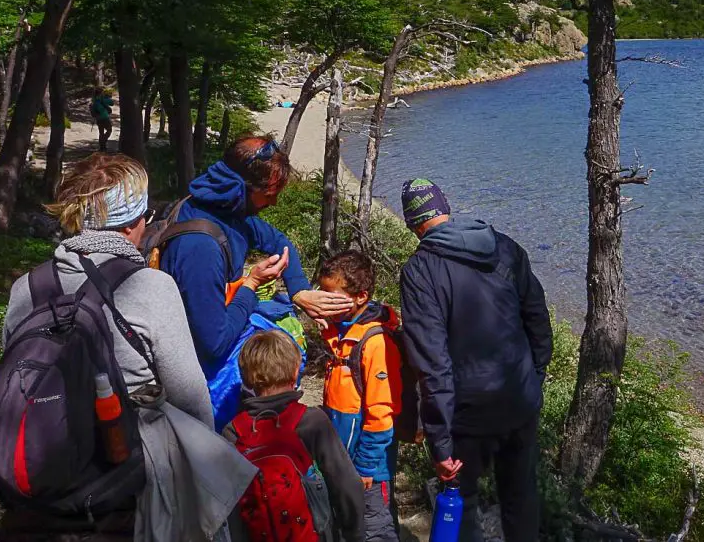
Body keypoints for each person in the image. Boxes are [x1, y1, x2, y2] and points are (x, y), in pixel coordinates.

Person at [0, 153, 254, 542]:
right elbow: (191, 398)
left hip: (39, 464)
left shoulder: (26, 288)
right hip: (124, 479)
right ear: (135, 223)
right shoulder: (151, 287)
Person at [160, 134, 353, 428]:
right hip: (195, 368)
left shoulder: (226, 211)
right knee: (284, 354)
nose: (273, 202)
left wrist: (299, 290)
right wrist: (250, 285)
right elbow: (214, 345)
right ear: (242, 187)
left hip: (211, 325)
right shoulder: (200, 248)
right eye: (269, 194)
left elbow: (278, 240)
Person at [397, 179, 553, 542]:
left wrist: (439, 442)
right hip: (519, 400)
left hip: (467, 416)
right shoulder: (504, 245)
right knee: (521, 496)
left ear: (411, 224)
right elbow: (538, 320)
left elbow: (431, 362)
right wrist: (533, 379)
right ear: (446, 209)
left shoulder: (420, 271)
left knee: (461, 501)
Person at [225, 330, 365, 542]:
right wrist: (354, 536)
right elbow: (347, 485)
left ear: (248, 379)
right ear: (294, 372)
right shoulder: (311, 421)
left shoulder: (233, 431)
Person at [317, 250, 403, 542]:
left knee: (375, 527)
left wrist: (366, 466)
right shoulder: (341, 331)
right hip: (343, 457)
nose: (324, 301)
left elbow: (381, 413)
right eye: (323, 293)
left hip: (369, 468)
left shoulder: (375, 342)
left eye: (332, 296)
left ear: (360, 297)